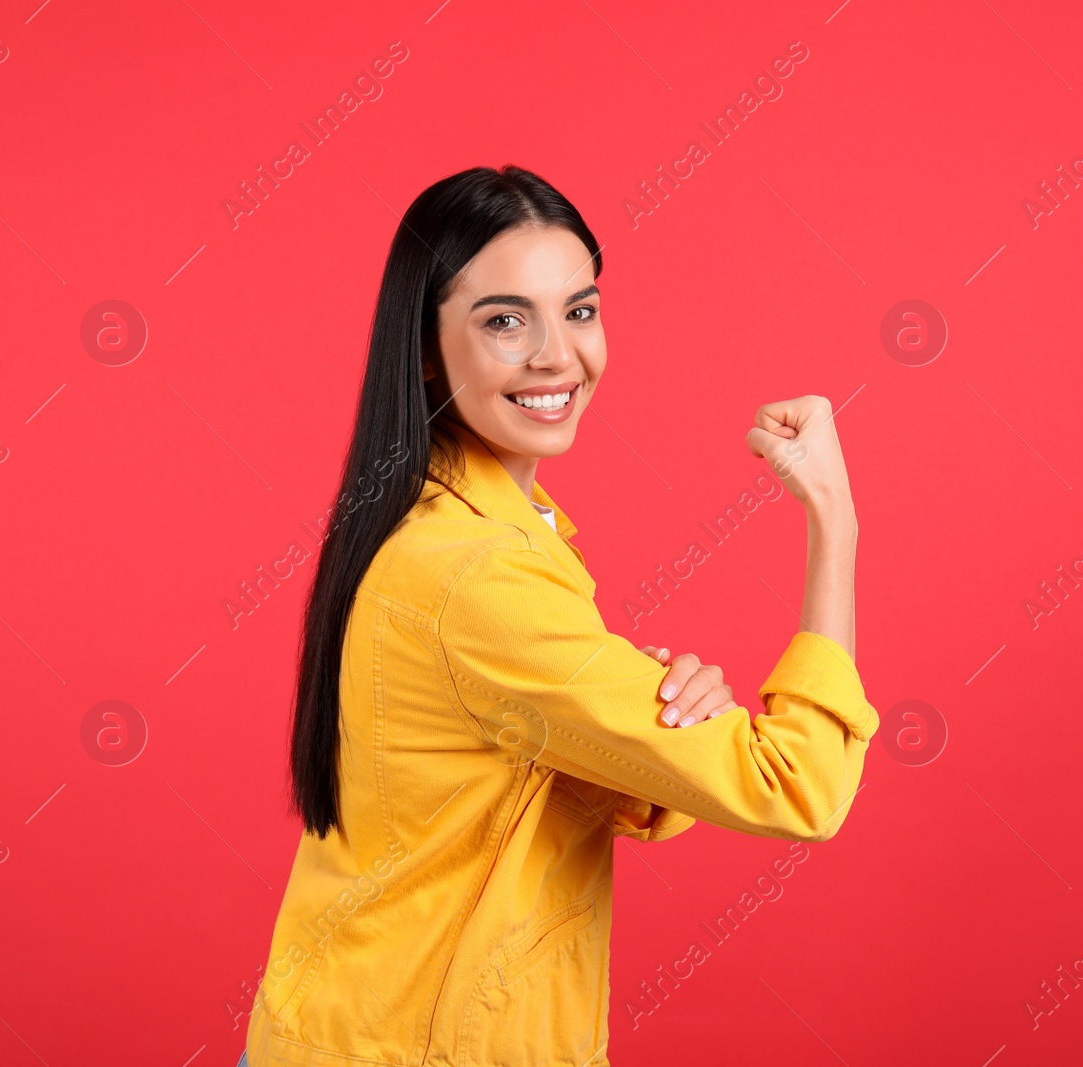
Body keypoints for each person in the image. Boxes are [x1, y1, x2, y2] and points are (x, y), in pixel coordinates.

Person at [242, 165, 877, 1066]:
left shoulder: (453, 526)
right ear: (425, 347)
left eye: (579, 310)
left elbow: (501, 784)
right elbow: (799, 787)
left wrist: (635, 724)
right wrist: (836, 522)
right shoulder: (479, 575)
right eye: (506, 320)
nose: (557, 356)